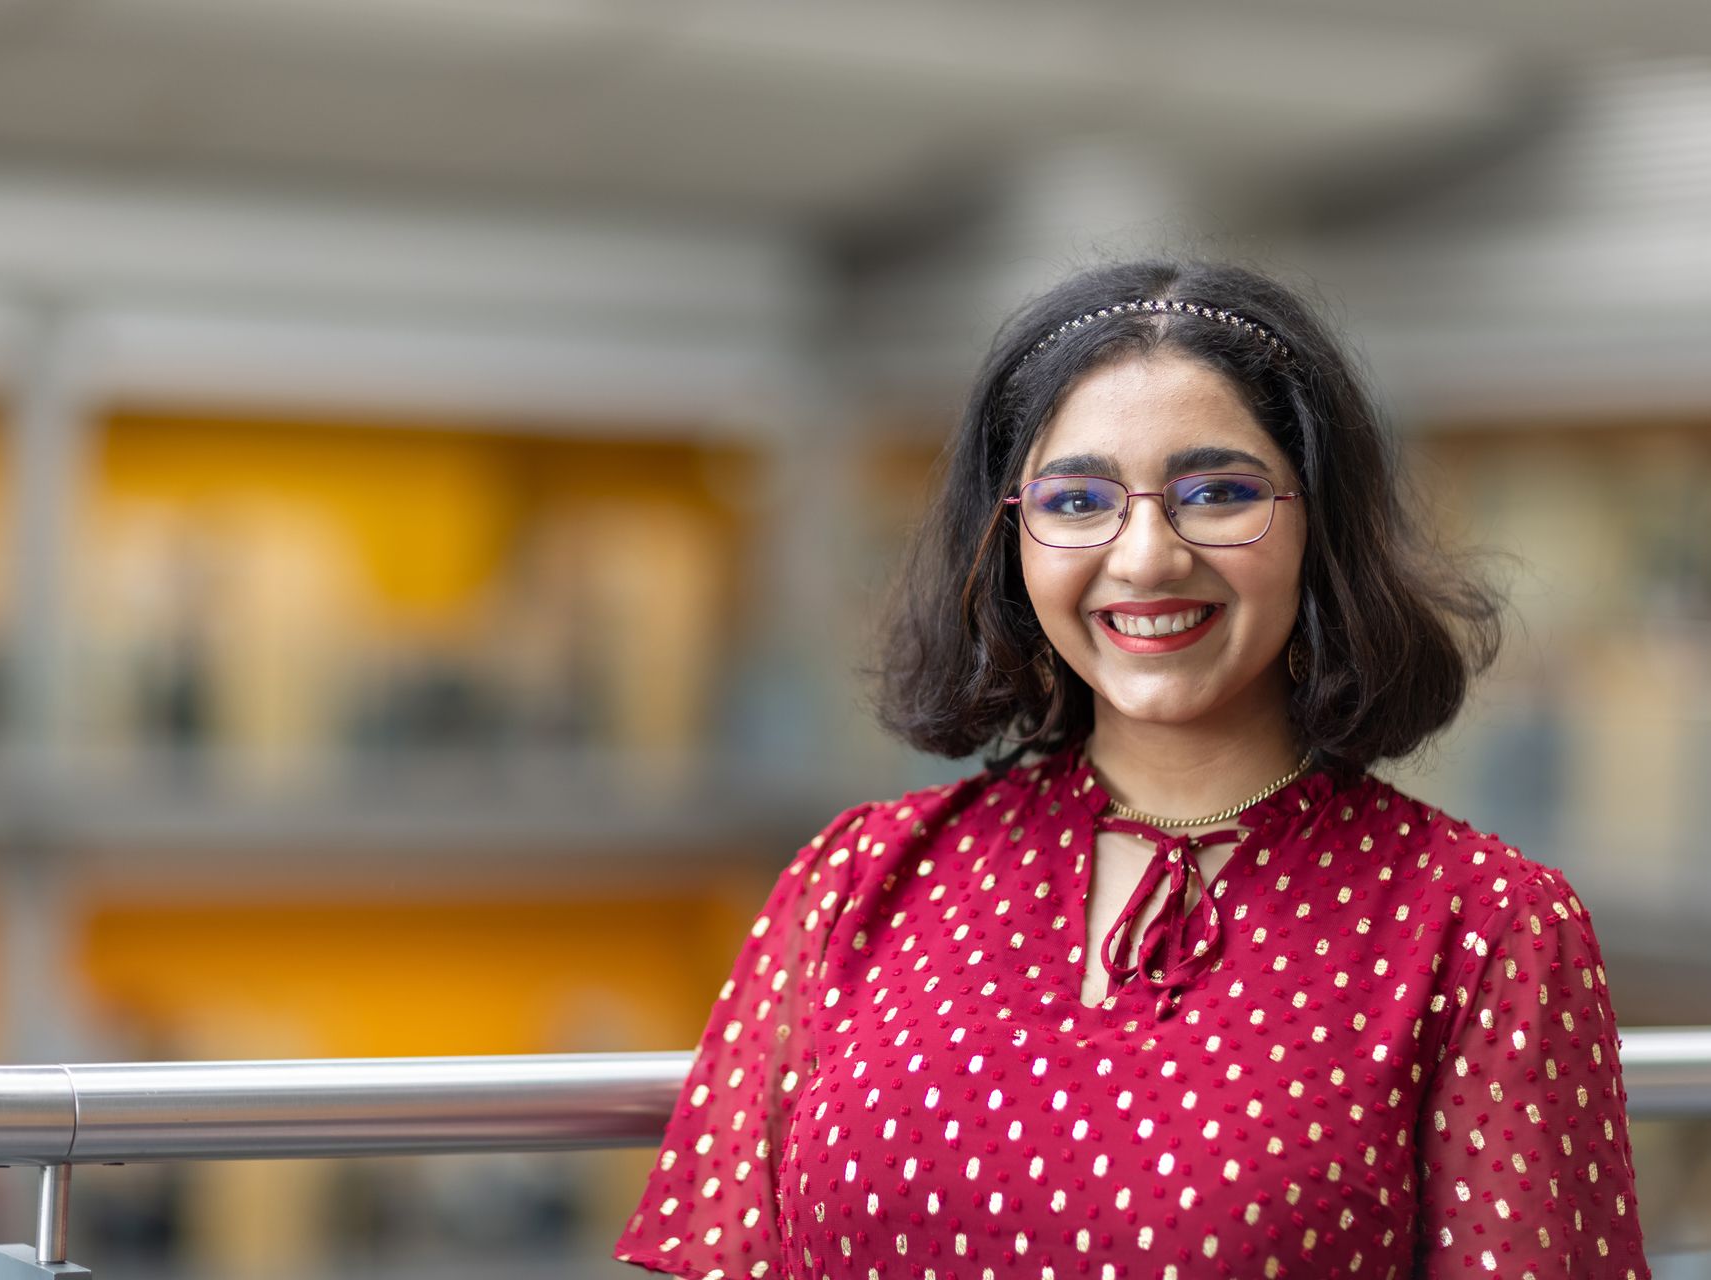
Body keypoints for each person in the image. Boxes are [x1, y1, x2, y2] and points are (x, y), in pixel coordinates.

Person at [613, 261, 1648, 1279]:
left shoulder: (1483, 930)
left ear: (1317, 525)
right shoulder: (857, 878)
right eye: (1076, 499)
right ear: (1008, 539)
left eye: (1217, 491)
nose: (1145, 555)